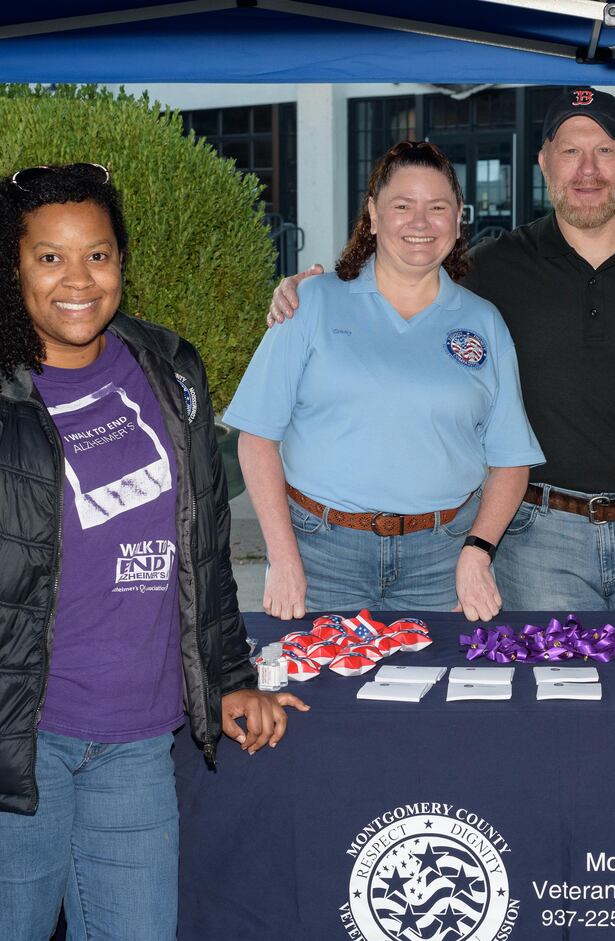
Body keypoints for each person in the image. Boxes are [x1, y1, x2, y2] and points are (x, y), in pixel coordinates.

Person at [0, 162, 306, 941]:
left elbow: (200, 546)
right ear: (10, 269)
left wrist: (232, 678)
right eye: (49, 258)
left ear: (122, 262)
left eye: (97, 256)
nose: (78, 281)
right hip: (11, 745)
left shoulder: (169, 367)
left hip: (137, 739)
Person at [269, 88, 615, 613]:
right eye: (569, 151)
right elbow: (402, 272)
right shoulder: (490, 270)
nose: (587, 169)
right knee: (550, 694)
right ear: (544, 164)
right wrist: (310, 286)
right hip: (535, 537)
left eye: (605, 150)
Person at [226, 140, 543, 621]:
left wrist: (477, 551)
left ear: (459, 220)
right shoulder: (309, 303)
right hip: (320, 556)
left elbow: (511, 461)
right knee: (319, 695)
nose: (420, 223)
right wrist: (284, 557)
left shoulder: (484, 322)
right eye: (402, 206)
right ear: (373, 215)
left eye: (437, 208)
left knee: (440, 693)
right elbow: (257, 439)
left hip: (441, 561)